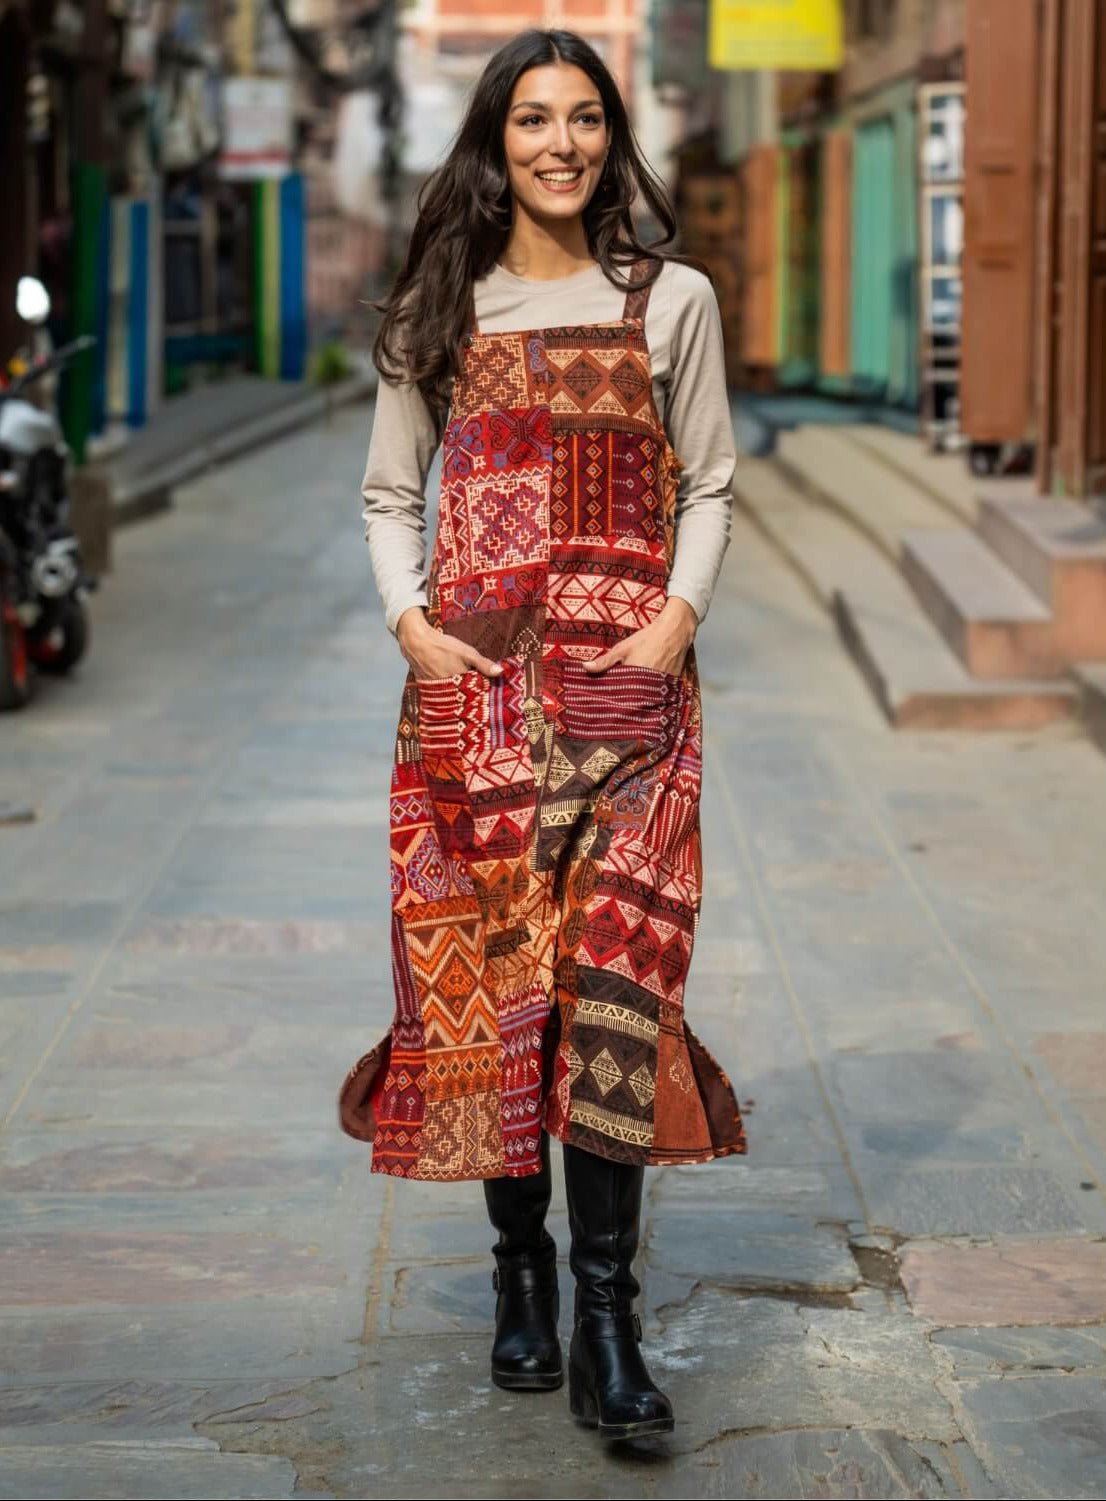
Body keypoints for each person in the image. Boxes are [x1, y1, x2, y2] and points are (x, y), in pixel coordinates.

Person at [339, 27, 746, 1441]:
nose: (559, 143)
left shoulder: (670, 298)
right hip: (477, 694)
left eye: (582, 118)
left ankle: (608, 1323)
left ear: (609, 135)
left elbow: (711, 483)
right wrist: (411, 627)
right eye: (531, 120)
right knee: (499, 985)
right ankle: (519, 1270)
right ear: (494, 141)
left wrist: (673, 624)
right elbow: (392, 493)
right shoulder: (438, 305)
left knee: (617, 990)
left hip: (631, 694)